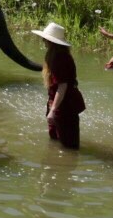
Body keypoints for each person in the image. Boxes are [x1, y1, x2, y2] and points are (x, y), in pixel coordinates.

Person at [33, 22, 84, 150]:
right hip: (59, 104)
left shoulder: (61, 58)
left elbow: (63, 86)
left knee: (69, 146)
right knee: (56, 141)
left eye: (45, 39)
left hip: (65, 107)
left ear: (51, 41)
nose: (43, 40)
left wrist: (53, 110)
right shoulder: (54, 55)